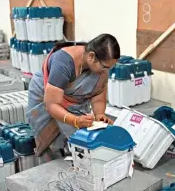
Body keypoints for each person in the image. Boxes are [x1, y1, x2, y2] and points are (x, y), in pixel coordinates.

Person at [26, 33, 120, 161]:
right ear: (92, 56)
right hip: (46, 97)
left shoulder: (101, 67)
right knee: (52, 142)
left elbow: (98, 96)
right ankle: (52, 167)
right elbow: (52, 105)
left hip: (72, 102)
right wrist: (75, 120)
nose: (106, 71)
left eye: (109, 68)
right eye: (105, 67)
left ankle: (73, 160)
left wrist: (100, 115)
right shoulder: (64, 62)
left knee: (78, 139)